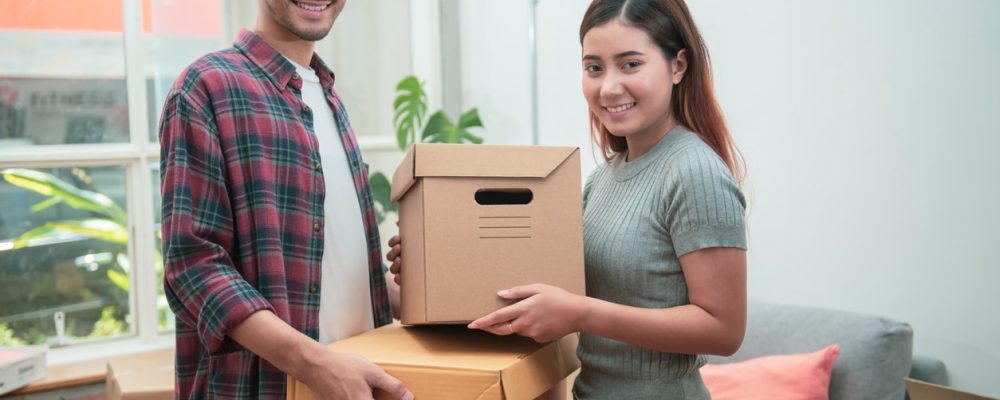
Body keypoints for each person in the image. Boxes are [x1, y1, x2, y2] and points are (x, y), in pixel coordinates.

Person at [390, 0, 746, 398]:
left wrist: (579, 313)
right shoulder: (604, 177)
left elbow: (723, 330)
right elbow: (548, 284)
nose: (609, 87)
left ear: (678, 66)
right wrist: (434, 267)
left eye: (630, 64)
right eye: (594, 67)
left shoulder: (695, 172)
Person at [160, 1, 410, 398]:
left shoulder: (330, 99)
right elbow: (195, 267)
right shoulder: (206, 86)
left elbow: (329, 268)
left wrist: (427, 294)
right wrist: (317, 365)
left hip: (357, 382)